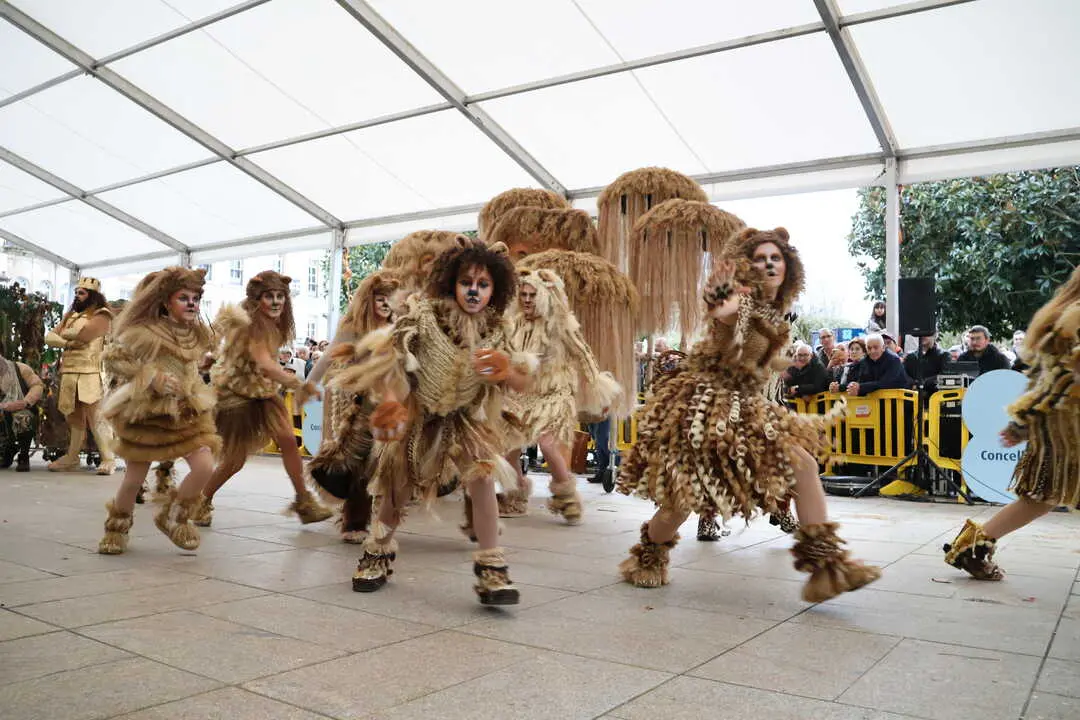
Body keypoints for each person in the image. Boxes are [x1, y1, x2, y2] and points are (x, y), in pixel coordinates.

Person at [617, 227, 880, 602]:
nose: (769, 264)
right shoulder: (741, 304)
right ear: (746, 266)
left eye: (776, 258)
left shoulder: (775, 314)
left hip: (748, 409)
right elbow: (718, 308)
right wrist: (721, 287)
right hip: (707, 411)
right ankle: (649, 553)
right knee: (682, 502)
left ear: (789, 267)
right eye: (760, 258)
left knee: (803, 465)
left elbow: (753, 358)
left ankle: (827, 567)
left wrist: (777, 362)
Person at [334, 239, 535, 605]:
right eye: (466, 282)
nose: (474, 291)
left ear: (496, 289)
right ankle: (376, 553)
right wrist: (393, 402)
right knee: (397, 487)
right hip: (418, 414)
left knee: (483, 478)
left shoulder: (498, 329)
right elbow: (391, 360)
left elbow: (521, 379)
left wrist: (507, 372)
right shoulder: (425, 317)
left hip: (463, 418)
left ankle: (492, 569)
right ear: (450, 283)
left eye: (483, 284)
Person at [943, 265, 1080, 580]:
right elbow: (1060, 377)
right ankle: (970, 548)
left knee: (1042, 497)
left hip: (1061, 423)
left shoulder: (1066, 314)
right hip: (1066, 426)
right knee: (1042, 496)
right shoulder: (1073, 318)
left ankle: (971, 547)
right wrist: (1026, 419)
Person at [193, 272, 331, 527]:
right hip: (237, 396)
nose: (277, 302)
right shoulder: (251, 326)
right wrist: (298, 383)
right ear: (258, 299)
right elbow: (265, 364)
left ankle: (304, 502)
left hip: (264, 393)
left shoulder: (273, 325)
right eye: (270, 296)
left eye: (280, 296)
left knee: (289, 441)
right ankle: (201, 499)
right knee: (235, 461)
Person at [97, 267, 220, 554]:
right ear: (166, 302)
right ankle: (117, 527)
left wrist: (199, 369)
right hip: (148, 413)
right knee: (133, 481)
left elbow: (187, 365)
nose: (192, 304)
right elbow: (114, 358)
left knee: (204, 467)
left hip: (186, 410)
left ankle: (174, 516)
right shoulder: (145, 331)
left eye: (195, 298)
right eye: (183, 298)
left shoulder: (196, 333)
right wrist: (153, 377)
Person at [501, 268, 622, 523]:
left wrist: (598, 384)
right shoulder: (514, 324)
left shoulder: (560, 323)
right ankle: (515, 494)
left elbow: (583, 353)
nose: (526, 299)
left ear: (544, 295)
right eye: (522, 294)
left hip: (555, 394)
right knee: (508, 448)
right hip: (521, 395)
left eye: (532, 295)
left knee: (548, 445)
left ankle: (566, 495)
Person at [304, 271, 399, 543]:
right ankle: (354, 520)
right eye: (380, 299)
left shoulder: (400, 326)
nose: (385, 305)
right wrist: (309, 384)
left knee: (388, 463)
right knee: (359, 463)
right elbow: (328, 356)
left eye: (390, 299)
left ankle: (384, 518)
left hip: (391, 402)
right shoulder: (353, 327)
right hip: (356, 404)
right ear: (369, 300)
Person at [44, 278, 117, 475]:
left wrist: (67, 334)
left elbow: (86, 335)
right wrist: (68, 341)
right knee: (73, 415)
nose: (77, 295)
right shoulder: (71, 315)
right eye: (76, 292)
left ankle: (108, 458)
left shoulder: (103, 315)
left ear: (93, 295)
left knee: (96, 416)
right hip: (69, 371)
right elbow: (49, 337)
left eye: (82, 292)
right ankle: (72, 457)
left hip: (91, 372)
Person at [0, 352, 44, 472]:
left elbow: (38, 385)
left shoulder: (19, 368)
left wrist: (25, 401)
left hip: (20, 409)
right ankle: (7, 450)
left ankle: (23, 455)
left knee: (23, 418)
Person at [846, 334, 911, 396]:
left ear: (883, 347)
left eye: (875, 347)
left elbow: (885, 383)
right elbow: (859, 381)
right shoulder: (865, 361)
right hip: (876, 402)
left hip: (900, 402)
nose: (872, 351)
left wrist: (860, 387)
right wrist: (849, 387)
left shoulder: (894, 360)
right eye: (869, 348)